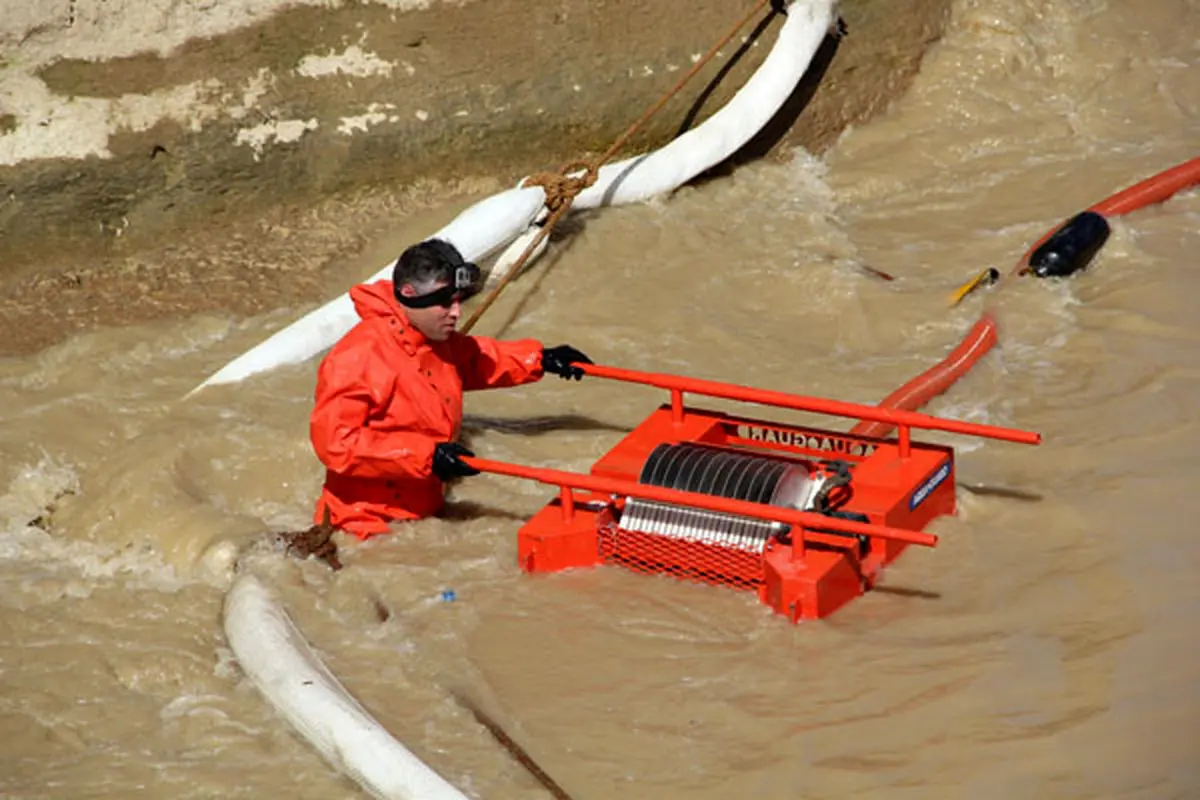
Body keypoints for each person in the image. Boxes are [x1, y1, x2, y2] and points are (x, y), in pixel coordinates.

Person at [309, 237, 592, 539]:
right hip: (363, 525)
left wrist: (539, 359)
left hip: (422, 507)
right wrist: (427, 457)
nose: (456, 313)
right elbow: (335, 444)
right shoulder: (359, 356)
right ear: (409, 294)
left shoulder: (433, 339)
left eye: (459, 300)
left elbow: (475, 360)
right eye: (445, 303)